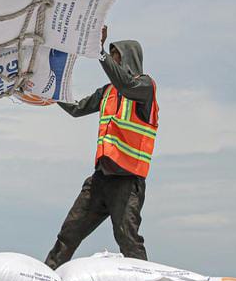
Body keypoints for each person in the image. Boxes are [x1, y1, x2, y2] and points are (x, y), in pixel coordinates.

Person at [44, 27, 159, 268]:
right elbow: (77, 108)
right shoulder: (108, 92)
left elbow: (125, 83)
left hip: (127, 182)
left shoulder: (144, 87)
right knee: (69, 233)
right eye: (111, 56)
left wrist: (99, 52)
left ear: (128, 58)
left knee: (128, 240)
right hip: (100, 179)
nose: (113, 61)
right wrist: (51, 91)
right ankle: (46, 276)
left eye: (116, 56)